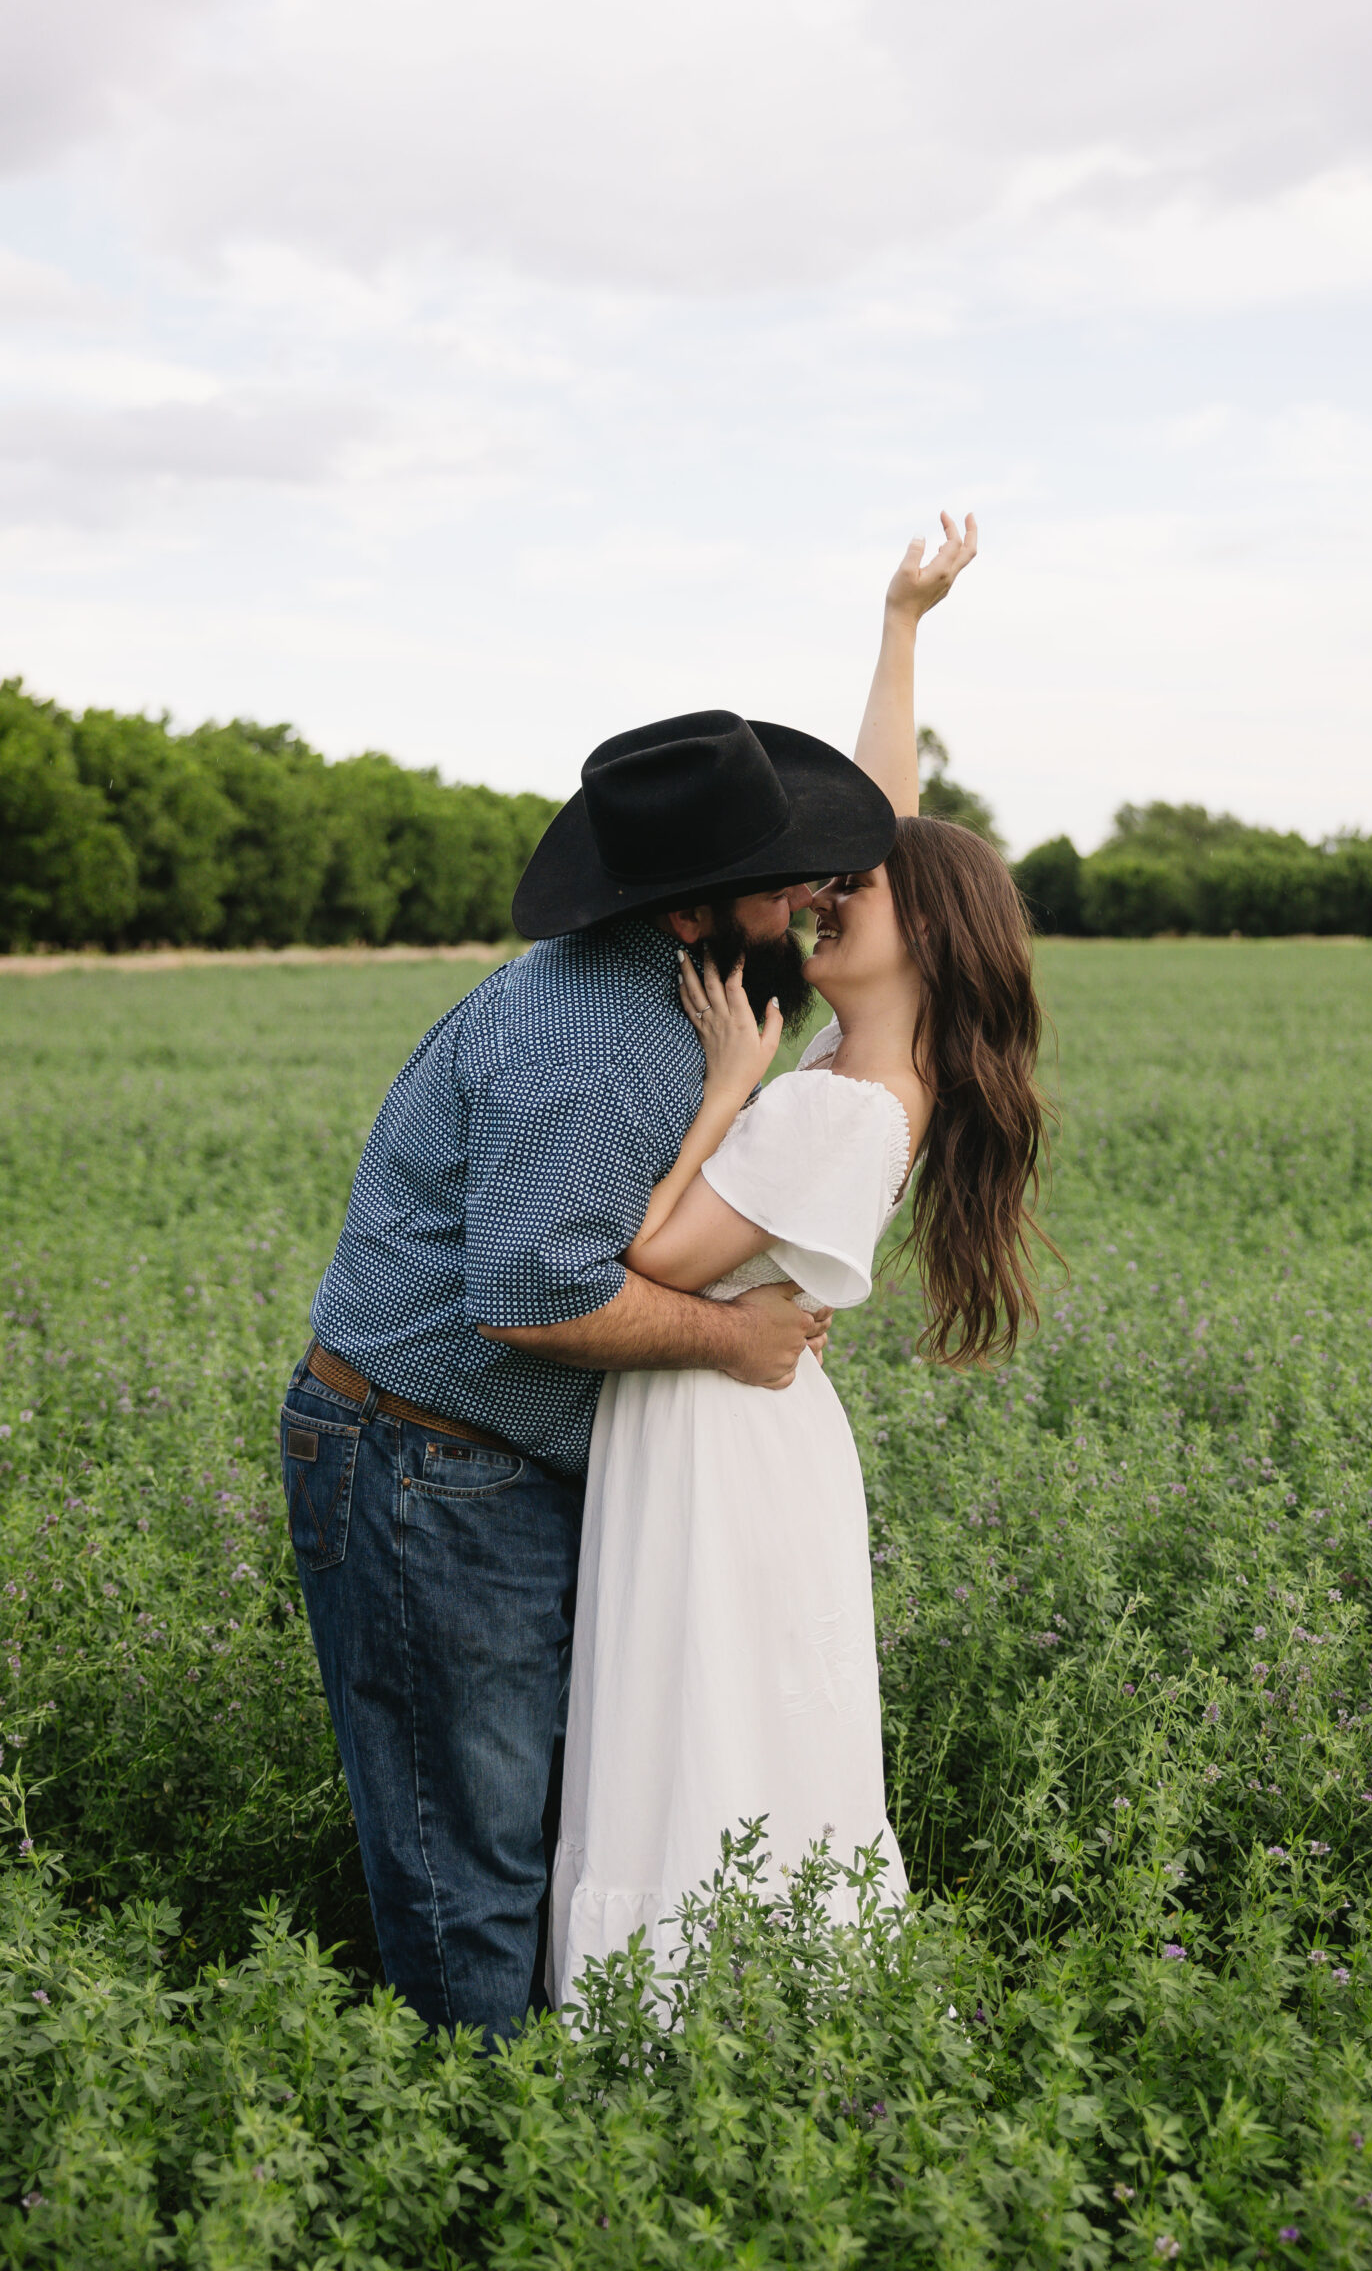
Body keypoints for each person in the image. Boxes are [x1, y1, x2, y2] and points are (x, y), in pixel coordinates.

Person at [279, 597, 915, 2040]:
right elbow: (529, 1296)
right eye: (779, 882)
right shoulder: (598, 1037)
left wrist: (903, 627)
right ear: (691, 906)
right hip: (424, 1463)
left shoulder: (701, 975)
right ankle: (476, 2163)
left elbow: (886, 863)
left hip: (485, 1458)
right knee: (473, 1854)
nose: (812, 896)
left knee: (544, 1810)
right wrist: (729, 1339)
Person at [546, 519, 1049, 1998]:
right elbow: (882, 822)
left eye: (848, 899)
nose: (821, 897)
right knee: (724, 1716)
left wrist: (716, 1091)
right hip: (731, 1427)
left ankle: (691, 2026)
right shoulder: (868, 1061)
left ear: (929, 937)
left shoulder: (836, 1101)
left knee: (699, 1720)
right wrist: (902, 628)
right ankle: (742, 2014)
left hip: (716, 1433)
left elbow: (648, 1250)